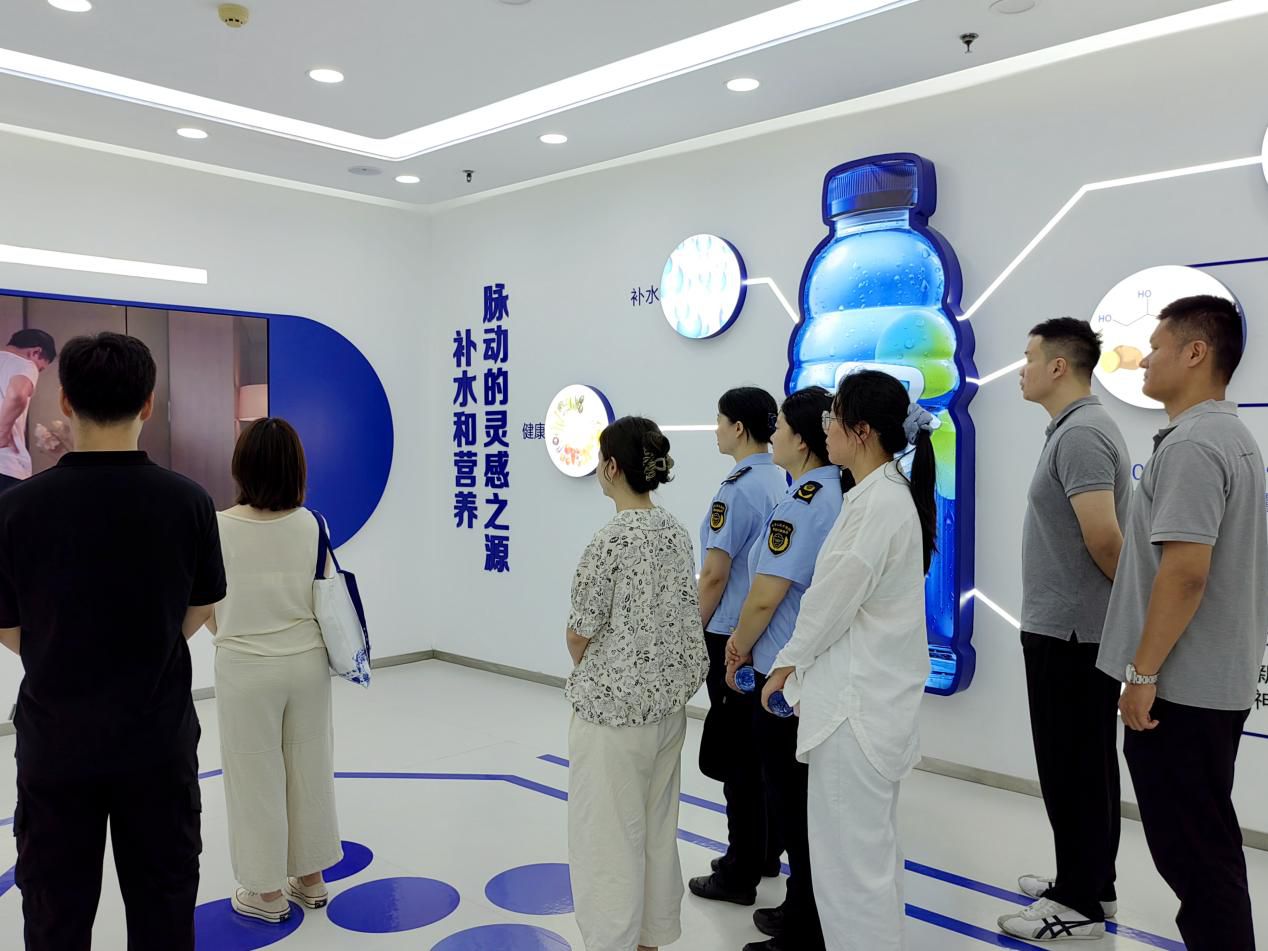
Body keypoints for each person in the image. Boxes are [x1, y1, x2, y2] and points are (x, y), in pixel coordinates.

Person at [0, 332, 225, 951]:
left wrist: (55, 648)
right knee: (164, 911)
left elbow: (6, 623)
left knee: (55, 916)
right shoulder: (189, 501)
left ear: (65, 401)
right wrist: (151, 642)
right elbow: (202, 604)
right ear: (147, 403)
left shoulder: (17, 509)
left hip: (55, 748)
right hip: (158, 742)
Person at [1096, 295, 1265, 951]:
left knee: (1196, 857)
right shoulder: (1226, 436)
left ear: (1196, 353)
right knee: (1205, 847)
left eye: (1157, 346)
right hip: (1207, 683)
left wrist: (1142, 674)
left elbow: (1186, 572)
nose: (1144, 359)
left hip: (1182, 690)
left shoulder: (1195, 444)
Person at [762, 369, 936, 951]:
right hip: (867, 707)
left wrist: (785, 665)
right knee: (867, 861)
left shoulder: (877, 504)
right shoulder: (879, 496)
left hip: (854, 712)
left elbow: (830, 601)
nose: (825, 428)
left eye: (832, 418)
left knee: (849, 872)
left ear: (861, 431)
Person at [998, 318, 1131, 942]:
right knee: (1085, 764)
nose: (1021, 369)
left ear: (1058, 366)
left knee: (1072, 766)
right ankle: (1089, 881)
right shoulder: (1075, 430)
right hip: (1072, 630)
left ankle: (1078, 902)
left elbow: (1105, 538)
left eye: (1028, 357)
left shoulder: (1081, 435)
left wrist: (1128, 612)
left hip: (1074, 635)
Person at [565, 417, 708, 951]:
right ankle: (651, 935)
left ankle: (611, 941)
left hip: (613, 715)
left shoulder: (611, 539)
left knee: (607, 838)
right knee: (656, 830)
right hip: (667, 709)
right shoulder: (674, 530)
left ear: (611, 467)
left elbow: (580, 631)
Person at [724, 387, 843, 951]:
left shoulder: (805, 502)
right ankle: (803, 903)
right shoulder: (838, 491)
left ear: (802, 440)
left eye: (781, 428)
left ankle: (807, 920)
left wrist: (737, 648)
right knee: (802, 799)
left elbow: (766, 596)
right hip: (813, 670)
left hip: (784, 675)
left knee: (791, 800)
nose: (772, 435)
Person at [209, 418, 342, 923]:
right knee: (310, 768)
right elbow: (325, 594)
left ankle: (265, 892)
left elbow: (206, 603)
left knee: (254, 776)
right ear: (296, 468)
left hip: (245, 667)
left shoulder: (218, 525)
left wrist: (232, 628)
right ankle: (311, 877)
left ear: (241, 466)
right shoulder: (313, 525)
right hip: (307, 665)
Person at [691, 386, 787, 906]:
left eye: (719, 420)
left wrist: (691, 631)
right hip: (764, 633)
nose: (715, 429)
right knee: (760, 749)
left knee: (738, 758)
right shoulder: (781, 479)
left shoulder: (736, 489)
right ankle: (765, 851)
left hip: (730, 631)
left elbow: (714, 574)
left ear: (739, 428)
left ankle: (739, 869)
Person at [0, 329, 58, 493]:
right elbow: (18, 394)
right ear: (36, 352)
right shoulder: (25, 363)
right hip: (6, 466)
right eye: (40, 369)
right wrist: (2, 433)